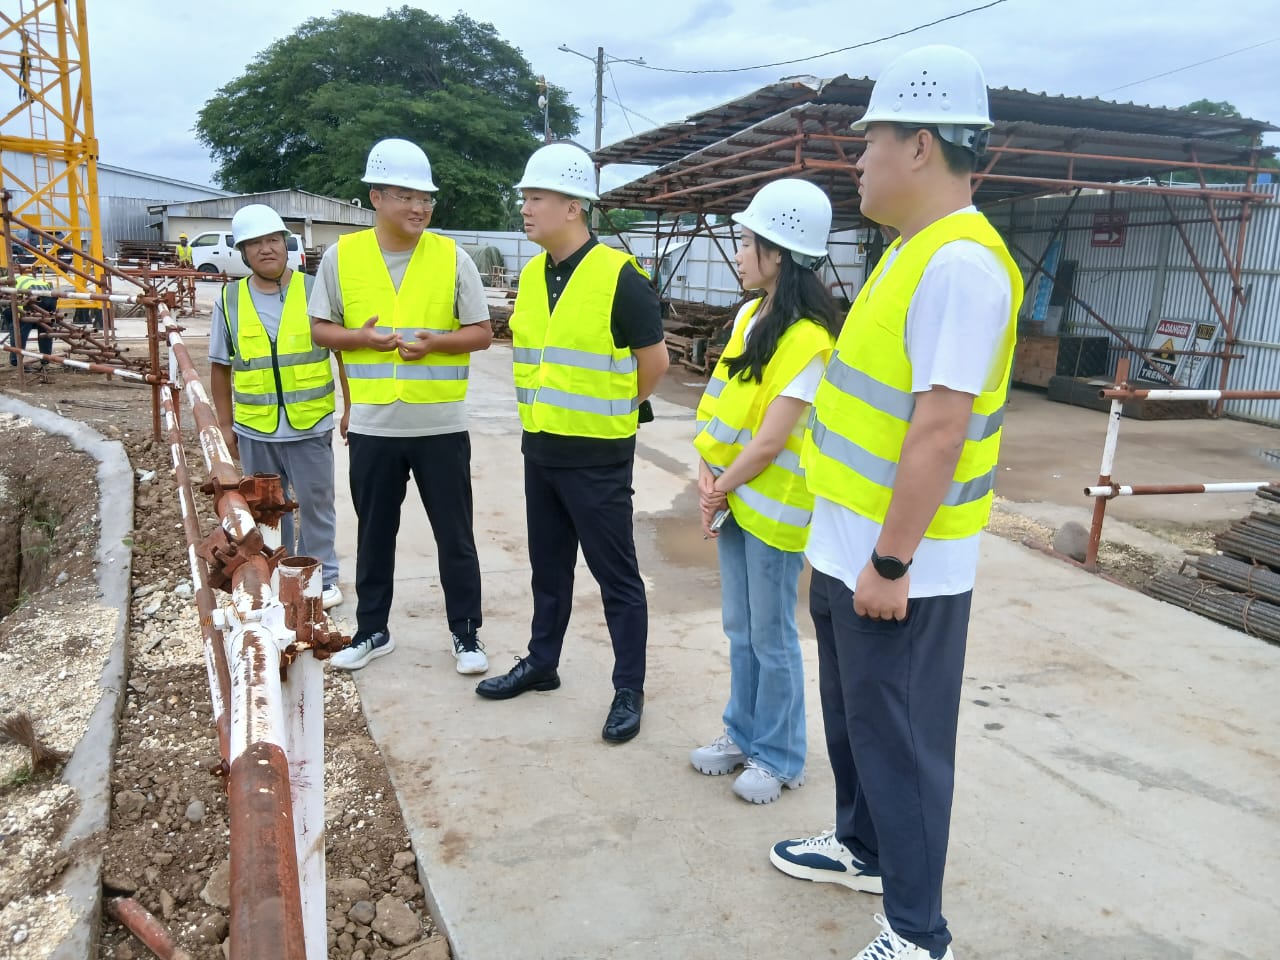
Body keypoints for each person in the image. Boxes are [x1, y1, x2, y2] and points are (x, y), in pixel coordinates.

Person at [768, 45, 1022, 960]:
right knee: (857, 724)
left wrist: (890, 561)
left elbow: (940, 430)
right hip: (850, 547)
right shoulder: (910, 251)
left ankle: (918, 933)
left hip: (901, 563)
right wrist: (842, 550)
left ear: (920, 144)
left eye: (870, 140)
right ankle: (863, 848)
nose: (859, 159)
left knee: (903, 743)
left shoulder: (961, 264)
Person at [475, 142, 668, 745]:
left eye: (536, 197)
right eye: (525, 198)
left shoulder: (621, 278)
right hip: (541, 451)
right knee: (548, 569)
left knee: (618, 579)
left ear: (573, 206)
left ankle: (629, 688)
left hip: (598, 457)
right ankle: (543, 662)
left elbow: (655, 363)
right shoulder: (533, 275)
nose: (525, 208)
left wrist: (619, 407)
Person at [309, 138, 492, 674]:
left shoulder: (453, 258)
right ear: (376, 197)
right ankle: (372, 630)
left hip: (439, 425)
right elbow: (320, 329)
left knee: (455, 537)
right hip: (374, 425)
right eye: (406, 196)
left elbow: (482, 332)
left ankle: (466, 634)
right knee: (374, 535)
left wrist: (438, 343)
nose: (419, 207)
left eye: (426, 198)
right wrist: (359, 339)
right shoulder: (341, 258)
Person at [689, 179, 840, 803]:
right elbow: (723, 404)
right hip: (734, 497)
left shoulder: (809, 339)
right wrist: (707, 472)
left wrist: (718, 488)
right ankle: (742, 733)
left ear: (778, 252)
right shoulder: (750, 318)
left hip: (771, 509)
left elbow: (772, 440)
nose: (739, 252)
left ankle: (779, 757)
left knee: (772, 637)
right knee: (740, 628)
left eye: (747, 241)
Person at [209, 203, 345, 611]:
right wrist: (225, 425)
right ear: (243, 252)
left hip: (309, 423)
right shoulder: (230, 299)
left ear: (286, 245)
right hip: (256, 428)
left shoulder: (313, 289)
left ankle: (323, 577)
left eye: (273, 240)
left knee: (317, 504)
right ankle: (278, 573)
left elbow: (343, 355)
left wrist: (351, 408)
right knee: (269, 509)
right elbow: (220, 367)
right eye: (255, 244)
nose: (266, 249)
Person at [7, 271, 56, 368]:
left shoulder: (6, 284)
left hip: (32, 296)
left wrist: (17, 317)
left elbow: (14, 305)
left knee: (19, 328)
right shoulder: (22, 278)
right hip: (50, 296)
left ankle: (15, 359)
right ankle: (46, 358)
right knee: (45, 328)